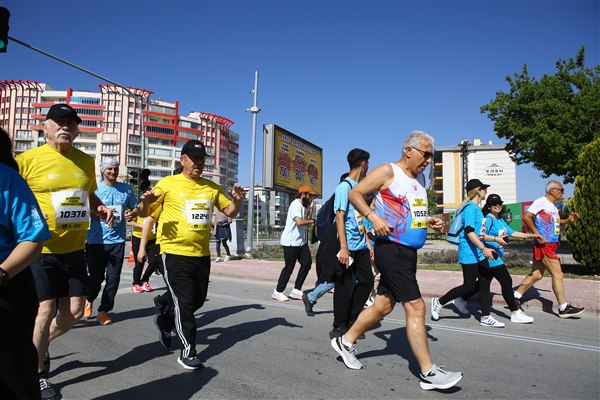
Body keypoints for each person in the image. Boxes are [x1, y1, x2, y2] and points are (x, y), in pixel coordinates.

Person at [331, 131, 462, 391]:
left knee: (383, 306)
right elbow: (355, 194)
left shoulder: (419, 179)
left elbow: (411, 211)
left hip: (408, 252)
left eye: (432, 156)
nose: (429, 160)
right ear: (408, 151)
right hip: (391, 250)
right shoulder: (388, 171)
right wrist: (373, 217)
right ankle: (428, 372)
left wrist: (429, 220)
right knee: (417, 307)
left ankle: (345, 341)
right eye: (426, 154)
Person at [16, 104, 114, 399]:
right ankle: (37, 375)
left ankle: (37, 347)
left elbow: (88, 193)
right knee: (45, 310)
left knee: (74, 313)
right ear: (45, 127)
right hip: (39, 247)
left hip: (74, 248)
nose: (66, 127)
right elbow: (10, 197)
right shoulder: (27, 160)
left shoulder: (85, 161)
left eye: (71, 123)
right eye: (59, 121)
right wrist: (29, 216)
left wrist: (100, 207)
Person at [137, 139, 243, 370]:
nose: (198, 163)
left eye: (202, 159)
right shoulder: (167, 183)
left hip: (201, 254)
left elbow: (229, 211)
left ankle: (164, 317)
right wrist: (145, 203)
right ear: (182, 160)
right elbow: (146, 213)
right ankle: (188, 351)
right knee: (184, 303)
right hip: (172, 251)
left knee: (197, 299)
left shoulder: (210, 187)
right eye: (194, 159)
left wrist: (237, 201)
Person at [0, 128, 51, 400]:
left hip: (8, 285)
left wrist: (1, 273)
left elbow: (33, 237)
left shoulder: (8, 179)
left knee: (14, 375)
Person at [455, 194, 538, 324]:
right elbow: (481, 235)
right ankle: (515, 312)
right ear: (488, 207)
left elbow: (512, 232)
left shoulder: (500, 220)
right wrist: (495, 239)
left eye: (499, 203)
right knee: (506, 281)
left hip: (496, 256)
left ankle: (461, 300)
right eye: (494, 204)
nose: (498, 206)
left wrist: (531, 236)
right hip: (490, 256)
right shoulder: (488, 219)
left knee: (482, 284)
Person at [431, 179, 503, 327]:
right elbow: (469, 232)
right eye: (484, 188)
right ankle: (439, 302)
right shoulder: (470, 208)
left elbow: (480, 234)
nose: (486, 191)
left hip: (478, 252)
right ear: (478, 191)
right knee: (469, 286)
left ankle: (485, 317)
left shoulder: (476, 209)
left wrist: (495, 240)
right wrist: (484, 248)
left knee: (484, 282)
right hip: (469, 252)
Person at [513, 181, 584, 318]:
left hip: (551, 244)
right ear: (552, 190)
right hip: (544, 244)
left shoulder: (552, 206)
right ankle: (563, 308)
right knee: (558, 274)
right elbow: (526, 217)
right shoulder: (541, 201)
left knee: (537, 275)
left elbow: (554, 222)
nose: (563, 192)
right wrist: (537, 235)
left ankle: (515, 297)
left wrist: (567, 220)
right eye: (561, 190)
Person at [85, 157, 138, 325]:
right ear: (103, 170)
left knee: (113, 279)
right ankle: (89, 298)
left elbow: (134, 208)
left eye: (115, 168)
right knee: (96, 278)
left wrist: (131, 213)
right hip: (96, 241)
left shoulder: (126, 189)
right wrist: (101, 213)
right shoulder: (95, 190)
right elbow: (86, 212)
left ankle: (103, 311)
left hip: (117, 240)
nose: (113, 171)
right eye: (109, 169)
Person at [329, 148, 373, 339]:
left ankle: (352, 319)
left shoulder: (359, 188)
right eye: (367, 164)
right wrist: (344, 248)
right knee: (343, 286)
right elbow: (340, 216)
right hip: (346, 246)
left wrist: (367, 242)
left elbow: (360, 217)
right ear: (363, 164)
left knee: (367, 282)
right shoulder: (344, 187)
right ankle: (339, 325)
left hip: (361, 245)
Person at [302, 173, 349, 317]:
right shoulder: (340, 199)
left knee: (341, 277)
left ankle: (313, 295)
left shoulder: (335, 199)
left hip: (334, 243)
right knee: (338, 277)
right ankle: (312, 296)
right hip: (334, 244)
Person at [271, 186, 316, 302]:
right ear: (303, 194)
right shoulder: (295, 204)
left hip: (301, 242)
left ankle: (296, 290)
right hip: (290, 242)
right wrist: (313, 221)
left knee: (307, 263)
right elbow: (300, 222)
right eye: (310, 196)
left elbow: (307, 222)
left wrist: (311, 209)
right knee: (289, 267)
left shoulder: (303, 206)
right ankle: (278, 291)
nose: (311, 198)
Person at [128, 214, 163, 293]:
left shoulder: (156, 209)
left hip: (152, 239)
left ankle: (144, 280)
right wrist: (142, 226)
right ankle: (136, 283)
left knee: (155, 261)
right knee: (140, 262)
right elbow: (129, 222)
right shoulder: (139, 209)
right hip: (138, 237)